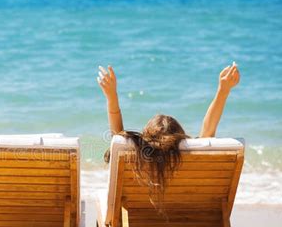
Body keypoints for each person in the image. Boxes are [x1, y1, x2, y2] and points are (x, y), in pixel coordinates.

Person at [96, 63, 240, 206]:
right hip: (190, 222)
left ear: (147, 137)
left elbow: (118, 137)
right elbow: (208, 128)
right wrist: (223, 90)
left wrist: (112, 96)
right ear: (180, 135)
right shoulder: (194, 158)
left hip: (137, 224)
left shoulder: (136, 160)